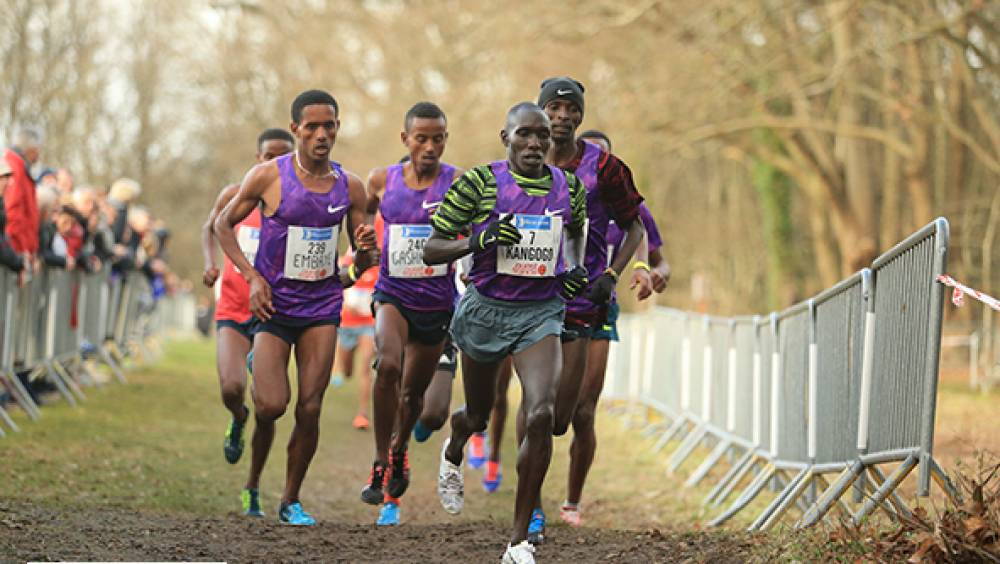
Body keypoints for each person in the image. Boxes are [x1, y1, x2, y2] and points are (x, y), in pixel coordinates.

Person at [424, 102, 590, 564]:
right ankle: (456, 444)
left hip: (540, 312)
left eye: (542, 136)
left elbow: (575, 231)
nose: (535, 144)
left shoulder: (568, 188)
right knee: (479, 414)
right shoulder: (478, 184)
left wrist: (573, 269)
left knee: (540, 414)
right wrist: (479, 239)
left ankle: (518, 540)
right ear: (506, 137)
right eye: (524, 135)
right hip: (485, 311)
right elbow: (432, 248)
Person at [215, 90, 377, 526]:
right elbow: (223, 225)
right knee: (271, 406)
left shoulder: (350, 186)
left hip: (321, 307)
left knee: (310, 407)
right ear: (296, 130)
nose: (322, 135)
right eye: (312, 127)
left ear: (338, 128)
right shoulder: (268, 177)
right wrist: (252, 277)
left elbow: (363, 261)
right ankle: (261, 366)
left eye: (329, 126)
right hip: (274, 307)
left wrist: (365, 252)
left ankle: (291, 499)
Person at [560, 129, 671, 527]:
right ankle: (531, 499)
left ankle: (572, 502)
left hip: (599, 308)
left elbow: (660, 260)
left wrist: (653, 274)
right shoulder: (558, 198)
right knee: (547, 408)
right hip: (553, 306)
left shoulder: (628, 208)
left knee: (584, 410)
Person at [361, 101, 461, 527]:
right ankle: (380, 459)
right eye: (421, 138)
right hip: (393, 293)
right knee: (387, 365)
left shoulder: (457, 183)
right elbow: (364, 217)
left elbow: (476, 228)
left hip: (436, 303)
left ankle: (400, 448)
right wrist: (364, 242)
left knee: (412, 397)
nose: (430, 146)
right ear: (405, 139)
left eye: (438, 139)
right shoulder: (382, 180)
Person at [200, 128, 294, 517]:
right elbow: (211, 227)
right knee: (231, 386)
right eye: (269, 156)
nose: (274, 163)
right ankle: (238, 418)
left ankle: (252, 486)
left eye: (282, 157)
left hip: (271, 313)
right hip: (233, 307)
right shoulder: (234, 195)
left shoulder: (294, 202)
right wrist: (210, 264)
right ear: (258, 158)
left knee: (268, 405)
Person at [330, 247, 377, 432]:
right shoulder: (348, 260)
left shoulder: (378, 266)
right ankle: (342, 369)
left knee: (365, 366)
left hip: (368, 324)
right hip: (347, 324)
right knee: (347, 370)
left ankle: (362, 414)